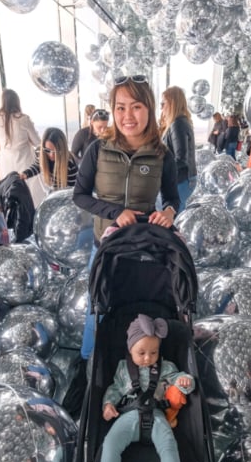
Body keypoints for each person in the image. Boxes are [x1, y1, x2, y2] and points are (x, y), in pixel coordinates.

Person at [72, 75, 180, 370]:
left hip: (143, 249)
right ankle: (89, 366)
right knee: (96, 308)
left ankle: (135, 362)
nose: (127, 116)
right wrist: (114, 211)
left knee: (134, 307)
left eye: (135, 107)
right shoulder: (98, 149)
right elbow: (79, 195)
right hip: (105, 246)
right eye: (120, 108)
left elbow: (172, 198)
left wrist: (169, 212)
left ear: (149, 108)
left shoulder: (161, 155)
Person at [86, 314, 198, 462]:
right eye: (142, 353)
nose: (148, 358)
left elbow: (180, 378)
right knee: (110, 444)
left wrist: (185, 381)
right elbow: (115, 389)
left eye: (153, 353)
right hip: (128, 413)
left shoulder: (165, 367)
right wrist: (108, 404)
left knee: (168, 446)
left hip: (156, 415)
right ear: (130, 349)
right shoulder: (122, 368)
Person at [0, 88, 44, 206]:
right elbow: (37, 142)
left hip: (5, 163)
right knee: (31, 196)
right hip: (25, 162)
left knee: (10, 194)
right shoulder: (23, 119)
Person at [159, 86, 197, 212]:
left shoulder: (178, 123)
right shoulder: (180, 122)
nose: (161, 107)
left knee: (172, 219)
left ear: (172, 103)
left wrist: (161, 170)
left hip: (182, 180)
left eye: (163, 103)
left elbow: (181, 159)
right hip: (183, 179)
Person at [19, 126, 78, 192]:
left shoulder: (70, 163)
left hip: (65, 193)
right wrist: (25, 174)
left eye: (56, 151)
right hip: (51, 190)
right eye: (47, 150)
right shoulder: (40, 153)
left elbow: (71, 191)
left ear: (62, 150)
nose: (51, 155)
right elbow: (38, 166)